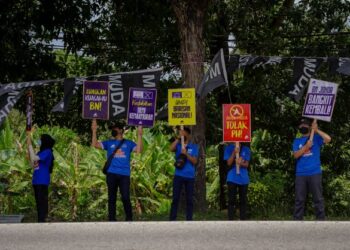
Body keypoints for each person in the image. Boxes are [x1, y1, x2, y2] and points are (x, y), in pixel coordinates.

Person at [91, 119, 143, 221]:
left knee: (125, 197)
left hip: (124, 174)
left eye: (114, 128)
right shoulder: (108, 142)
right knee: (112, 198)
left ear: (120, 130)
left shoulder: (129, 143)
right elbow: (95, 145)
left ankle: (129, 218)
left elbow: (139, 150)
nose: (112, 130)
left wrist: (140, 135)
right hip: (111, 173)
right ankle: (112, 219)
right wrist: (94, 131)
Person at [292, 118, 331, 220]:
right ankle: (297, 221)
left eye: (304, 125)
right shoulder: (297, 141)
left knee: (318, 198)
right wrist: (306, 147)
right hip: (300, 174)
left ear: (309, 127)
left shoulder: (316, 138)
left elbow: (328, 139)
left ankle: (321, 220)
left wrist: (316, 130)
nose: (302, 127)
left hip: (315, 173)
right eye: (301, 126)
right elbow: (296, 155)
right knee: (299, 199)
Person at [169, 126, 199, 221]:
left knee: (189, 200)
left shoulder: (194, 147)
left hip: (190, 176)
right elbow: (170, 148)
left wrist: (186, 154)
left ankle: (189, 219)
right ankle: (172, 219)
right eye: (181, 132)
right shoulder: (178, 145)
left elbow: (194, 161)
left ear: (188, 135)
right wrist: (178, 138)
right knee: (175, 198)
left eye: (184, 133)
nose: (183, 134)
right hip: (178, 175)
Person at [26, 132, 55, 223]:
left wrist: (30, 146)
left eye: (40, 139)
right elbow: (33, 164)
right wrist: (29, 152)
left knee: (42, 202)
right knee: (39, 202)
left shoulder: (48, 152)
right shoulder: (40, 152)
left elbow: (35, 158)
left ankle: (43, 220)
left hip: (42, 180)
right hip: (36, 180)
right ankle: (40, 220)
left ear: (44, 141)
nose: (39, 141)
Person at [224, 142, 251, 220]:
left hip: (243, 179)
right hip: (232, 178)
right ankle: (231, 219)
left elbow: (246, 164)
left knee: (243, 200)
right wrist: (234, 152)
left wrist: (241, 163)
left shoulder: (246, 149)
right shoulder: (228, 148)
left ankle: (243, 219)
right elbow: (228, 163)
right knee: (231, 200)